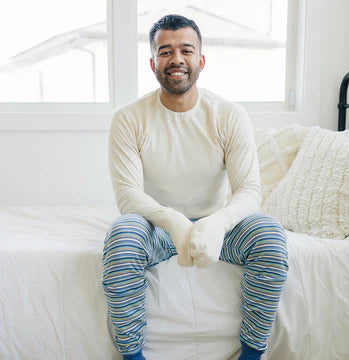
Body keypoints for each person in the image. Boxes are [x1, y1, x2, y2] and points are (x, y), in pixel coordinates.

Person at [102, 14, 288, 360]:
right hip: (157, 228)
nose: (176, 59)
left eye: (186, 50)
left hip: (216, 227)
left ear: (200, 60)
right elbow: (128, 196)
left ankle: (251, 353)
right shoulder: (128, 119)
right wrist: (173, 221)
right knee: (122, 234)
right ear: (153, 62)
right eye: (165, 51)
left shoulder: (229, 115)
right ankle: (132, 356)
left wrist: (215, 224)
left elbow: (249, 190)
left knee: (270, 234)